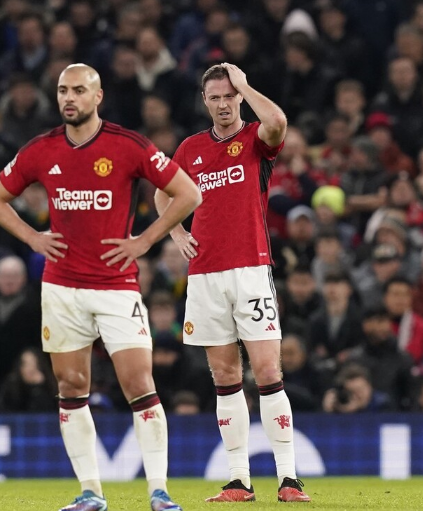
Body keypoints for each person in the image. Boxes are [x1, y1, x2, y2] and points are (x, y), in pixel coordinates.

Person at [0, 63, 201, 511]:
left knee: (139, 383)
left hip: (117, 286)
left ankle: (159, 492)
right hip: (61, 288)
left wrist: (144, 241)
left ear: (97, 96)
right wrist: (32, 237)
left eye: (79, 90)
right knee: (71, 385)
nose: (69, 98)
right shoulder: (41, 149)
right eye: (63, 90)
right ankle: (91, 492)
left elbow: (188, 193)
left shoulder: (128, 145)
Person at [154, 63, 311, 503]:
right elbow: (162, 192)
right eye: (215, 97)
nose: (223, 104)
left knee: (268, 371)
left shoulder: (256, 139)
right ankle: (239, 480)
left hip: (250, 269)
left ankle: (289, 478)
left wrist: (244, 83)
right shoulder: (190, 149)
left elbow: (278, 121)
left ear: (239, 97)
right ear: (205, 102)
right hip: (204, 274)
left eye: (229, 96)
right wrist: (176, 232)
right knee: (224, 376)